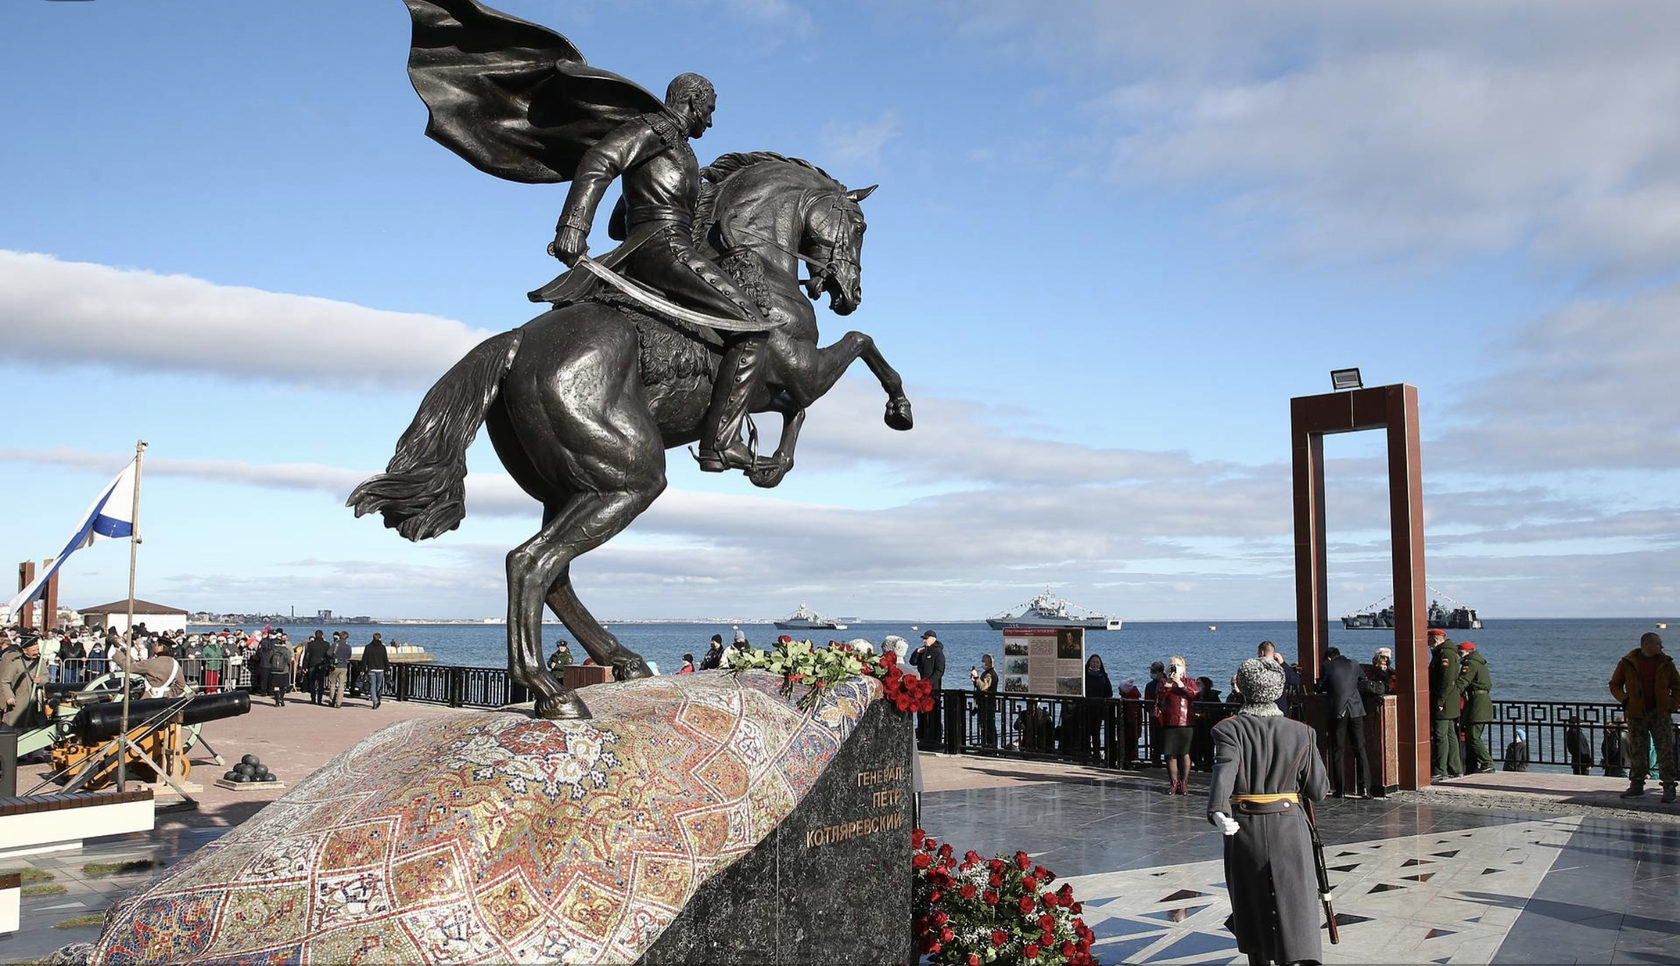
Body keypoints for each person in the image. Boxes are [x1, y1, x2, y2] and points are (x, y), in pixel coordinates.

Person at [541, 72, 770, 476]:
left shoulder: (677, 147)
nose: (711, 123)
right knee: (752, 325)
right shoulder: (658, 129)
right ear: (693, 102)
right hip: (664, 247)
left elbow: (620, 222)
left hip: (659, 241)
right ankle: (721, 442)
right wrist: (573, 225)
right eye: (710, 111)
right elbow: (601, 159)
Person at [1207, 658, 1330, 966]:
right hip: (1290, 826)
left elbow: (1225, 772)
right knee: (1295, 903)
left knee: (1252, 906)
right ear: (1279, 690)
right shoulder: (1302, 733)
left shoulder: (1229, 730)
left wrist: (1220, 812)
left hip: (1244, 827)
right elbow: (1318, 790)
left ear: (1242, 688)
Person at [1608, 632, 1680, 802]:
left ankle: (1669, 786)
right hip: (1636, 714)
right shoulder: (1627, 663)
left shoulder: (1666, 663)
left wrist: (1672, 704)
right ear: (1647, 644)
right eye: (1658, 643)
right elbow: (1615, 685)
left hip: (1660, 713)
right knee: (1638, 749)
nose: (1661, 647)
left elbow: (1678, 686)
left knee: (1665, 750)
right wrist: (1625, 700)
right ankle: (1637, 785)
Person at [1321, 646, 1371, 798]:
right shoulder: (1354, 664)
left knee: (1338, 750)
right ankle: (1365, 789)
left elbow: (1320, 687)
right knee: (1360, 749)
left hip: (1338, 712)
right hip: (1355, 709)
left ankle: (1340, 789)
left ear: (1329, 657)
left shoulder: (1328, 666)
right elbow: (1363, 681)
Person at [1156, 655, 1200, 795]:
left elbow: (1195, 694)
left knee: (1185, 753)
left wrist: (1181, 684)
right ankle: (1173, 783)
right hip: (1169, 720)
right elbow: (1160, 697)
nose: (1175, 668)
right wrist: (1169, 684)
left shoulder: (1189, 681)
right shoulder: (1163, 682)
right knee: (1170, 754)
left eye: (1178, 665)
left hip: (1186, 721)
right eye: (1173, 665)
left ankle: (1184, 783)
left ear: (1184, 668)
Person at [1429, 638, 1468, 781]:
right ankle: (1456, 768)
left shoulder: (1445, 655)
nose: (1428, 644)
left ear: (1435, 640)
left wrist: (1440, 700)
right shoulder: (1447, 653)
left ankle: (1441, 770)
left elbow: (1446, 680)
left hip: (1445, 702)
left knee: (1441, 735)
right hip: (1450, 701)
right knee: (1451, 735)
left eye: (1430, 640)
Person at [1457, 641, 1495, 774]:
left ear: (1469, 652)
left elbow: (1463, 682)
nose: (1459, 656)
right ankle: (1481, 763)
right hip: (1481, 702)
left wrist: (1451, 694)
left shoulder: (1470, 664)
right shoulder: (1479, 663)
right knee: (1474, 735)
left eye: (1461, 653)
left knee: (1473, 736)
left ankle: (1487, 762)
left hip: (1477, 703)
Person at [109, 638, 186, 699]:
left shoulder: (151, 663)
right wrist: (169, 694)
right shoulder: (175, 664)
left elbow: (130, 667)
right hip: (166, 698)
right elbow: (181, 684)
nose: (154, 647)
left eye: (156, 645)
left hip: (149, 698)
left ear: (161, 647)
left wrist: (117, 653)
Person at [0, 635, 47, 728]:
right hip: (18, 703)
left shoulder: (40, 662)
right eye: (33, 650)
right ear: (25, 650)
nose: (36, 653)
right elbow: (5, 681)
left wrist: (40, 680)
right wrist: (9, 696)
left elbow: (46, 677)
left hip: (35, 704)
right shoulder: (16, 663)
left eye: (37, 650)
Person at [909, 629, 946, 745]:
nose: (924, 641)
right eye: (923, 639)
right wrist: (917, 652)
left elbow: (939, 671)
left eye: (926, 639)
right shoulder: (923, 650)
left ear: (932, 639)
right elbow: (912, 662)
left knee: (933, 713)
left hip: (933, 688)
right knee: (921, 713)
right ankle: (922, 735)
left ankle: (934, 738)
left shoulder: (938, 652)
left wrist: (928, 683)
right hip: (921, 688)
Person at [1256, 641, 1301, 717]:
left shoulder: (1257, 668)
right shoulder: (1281, 669)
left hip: (1261, 711)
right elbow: (1296, 681)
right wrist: (1283, 663)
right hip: (1280, 710)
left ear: (1262, 652)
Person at [1081, 655, 1113, 761]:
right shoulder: (1084, 675)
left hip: (1099, 709)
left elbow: (1109, 692)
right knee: (1086, 732)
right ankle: (1086, 753)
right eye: (1093, 662)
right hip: (1086, 708)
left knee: (1096, 732)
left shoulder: (1103, 676)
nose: (1095, 664)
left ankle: (1096, 753)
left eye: (1097, 662)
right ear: (1089, 663)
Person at [971, 654, 998, 748]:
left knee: (988, 727)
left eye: (984, 661)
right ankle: (986, 746)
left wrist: (976, 677)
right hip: (984, 704)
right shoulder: (987, 673)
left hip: (988, 704)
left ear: (990, 663)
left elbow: (983, 687)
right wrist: (975, 680)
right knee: (985, 727)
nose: (982, 663)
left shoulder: (989, 674)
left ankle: (989, 747)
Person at [1144, 660, 1167, 766]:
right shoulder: (1150, 685)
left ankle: (1160, 761)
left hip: (1164, 717)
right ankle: (1156, 761)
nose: (1152, 673)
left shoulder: (1168, 683)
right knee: (1156, 740)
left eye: (1153, 671)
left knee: (1164, 740)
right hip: (1156, 717)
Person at [1117, 676, 1144, 767]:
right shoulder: (1134, 698)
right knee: (1132, 745)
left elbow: (1131, 716)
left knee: (1130, 746)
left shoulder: (1130, 700)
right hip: (1133, 728)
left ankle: (1129, 762)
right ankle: (1130, 761)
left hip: (1131, 729)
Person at [361, 632, 390, 710]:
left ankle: (375, 700)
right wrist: (387, 669)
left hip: (371, 669)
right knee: (378, 686)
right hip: (380, 669)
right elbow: (385, 659)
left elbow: (364, 659)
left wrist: (362, 669)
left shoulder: (368, 647)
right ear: (380, 638)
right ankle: (376, 700)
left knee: (372, 686)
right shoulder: (382, 647)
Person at [327, 632, 352, 708]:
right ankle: (339, 702)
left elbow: (328, 653)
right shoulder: (348, 647)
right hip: (344, 666)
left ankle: (331, 700)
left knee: (332, 684)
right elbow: (349, 656)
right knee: (341, 685)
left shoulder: (335, 644)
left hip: (335, 666)